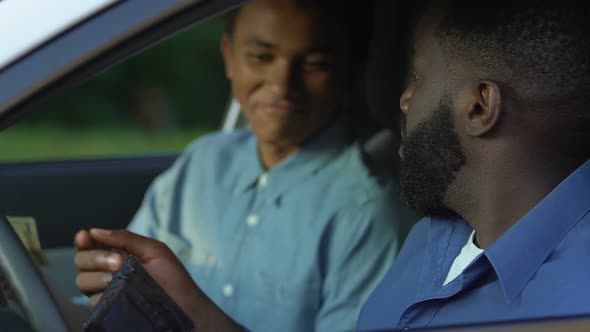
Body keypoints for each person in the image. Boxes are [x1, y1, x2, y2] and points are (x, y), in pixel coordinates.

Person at [74, 0, 400, 331]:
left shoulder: (368, 213)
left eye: (314, 63)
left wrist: (188, 302)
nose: (283, 85)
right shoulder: (201, 164)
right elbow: (114, 310)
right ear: (229, 57)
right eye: (261, 57)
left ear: (352, 70)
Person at [358, 0, 590, 330]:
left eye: (418, 76)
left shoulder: (575, 299)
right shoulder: (427, 237)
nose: (405, 99)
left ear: (480, 107)